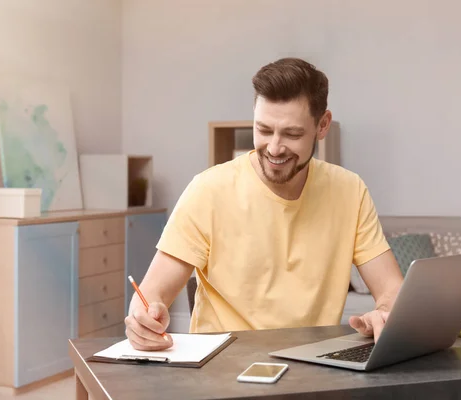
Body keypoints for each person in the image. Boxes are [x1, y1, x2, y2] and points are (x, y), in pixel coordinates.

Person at [124, 57, 404, 351]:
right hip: (223, 369)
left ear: (322, 125)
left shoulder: (350, 191)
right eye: (264, 130)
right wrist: (145, 317)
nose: (274, 148)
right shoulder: (208, 190)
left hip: (313, 366)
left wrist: (384, 312)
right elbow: (152, 293)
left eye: (292, 134)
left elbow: (392, 290)